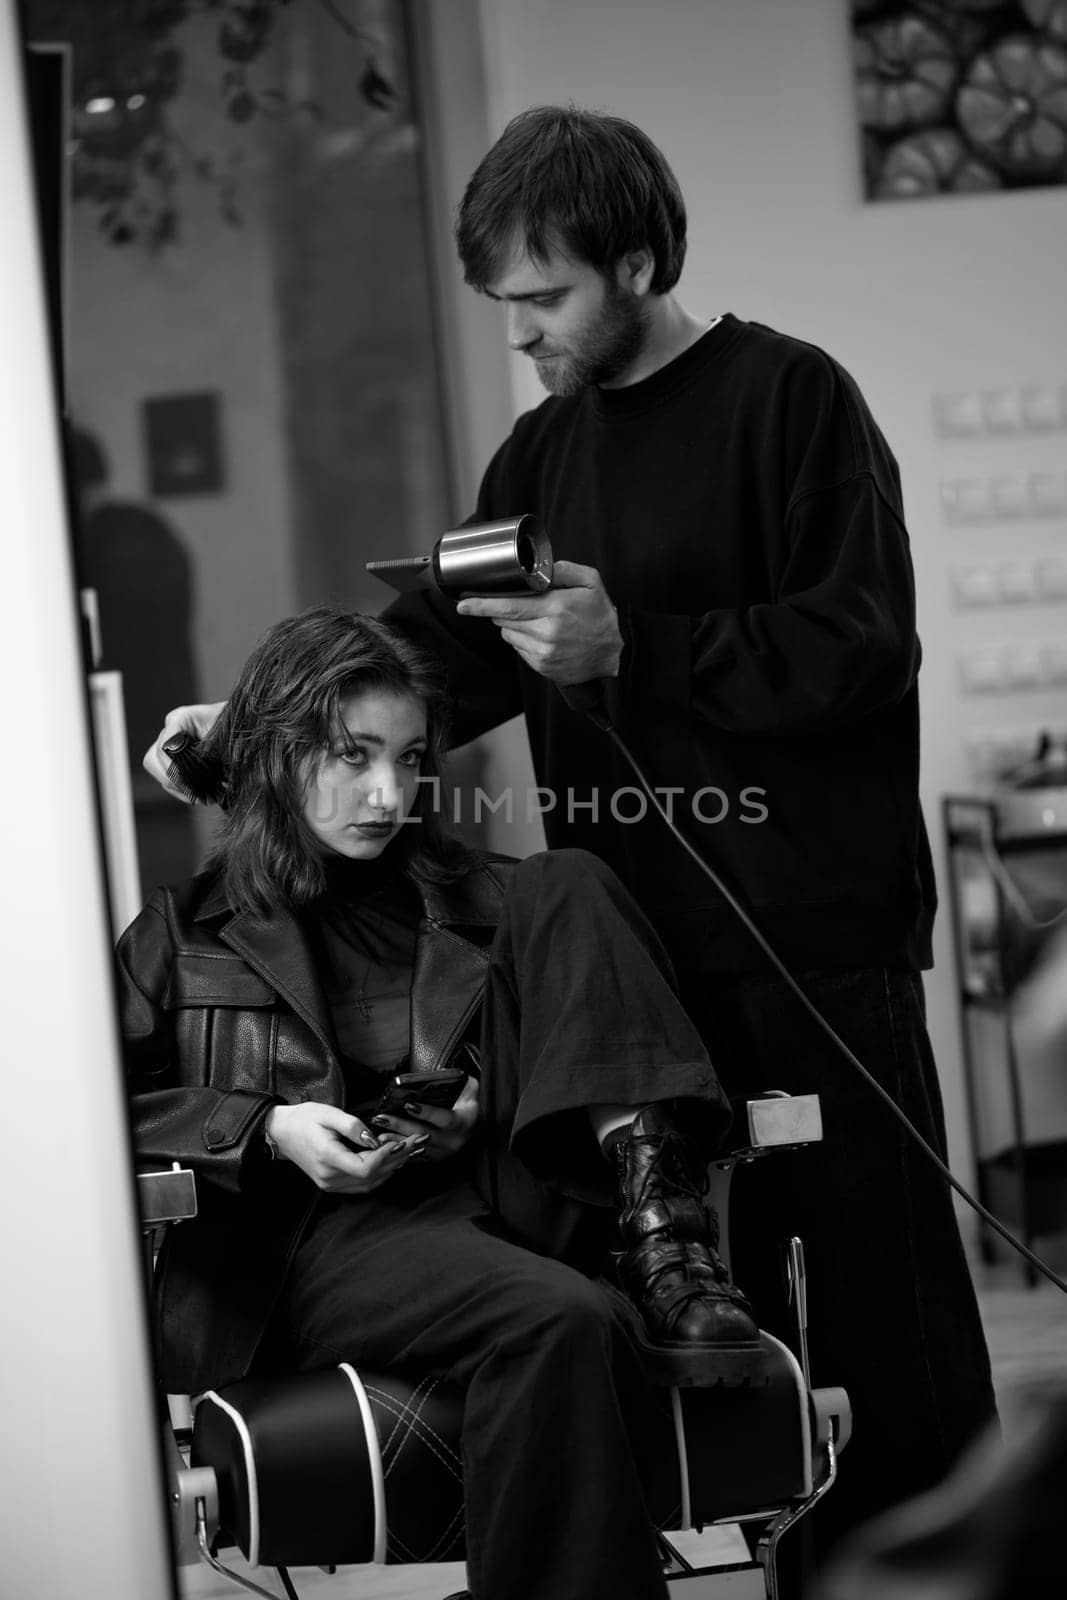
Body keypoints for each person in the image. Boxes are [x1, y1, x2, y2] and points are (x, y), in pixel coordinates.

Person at [142, 106, 997, 1571]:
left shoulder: (793, 401)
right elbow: (434, 665)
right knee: (725, 1348)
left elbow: (859, 645)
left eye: (543, 302)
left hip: (810, 953)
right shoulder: (535, 455)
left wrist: (635, 651)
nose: (521, 337)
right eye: (505, 309)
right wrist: (255, 719)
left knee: (874, 1333)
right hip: (630, 975)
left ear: (639, 257)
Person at [122, 604, 763, 1600]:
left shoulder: (485, 898)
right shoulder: (184, 930)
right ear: (281, 754)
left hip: (496, 1193)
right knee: (563, 1319)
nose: (388, 792)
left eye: (410, 758)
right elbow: (81, 1114)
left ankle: (664, 1239)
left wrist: (479, 1111)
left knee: (570, 875)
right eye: (352, 755)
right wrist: (268, 1129)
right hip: (314, 1245)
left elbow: (584, 1036)